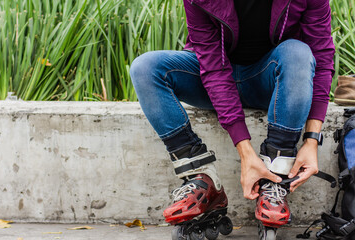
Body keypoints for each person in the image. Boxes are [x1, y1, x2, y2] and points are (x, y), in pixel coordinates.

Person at [130, 0, 335, 239]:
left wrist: (312, 140)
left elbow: (321, 56)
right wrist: (246, 152)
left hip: (270, 78)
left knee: (299, 53)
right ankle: (202, 177)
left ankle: (274, 178)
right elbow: (215, 69)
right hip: (210, 78)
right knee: (145, 68)